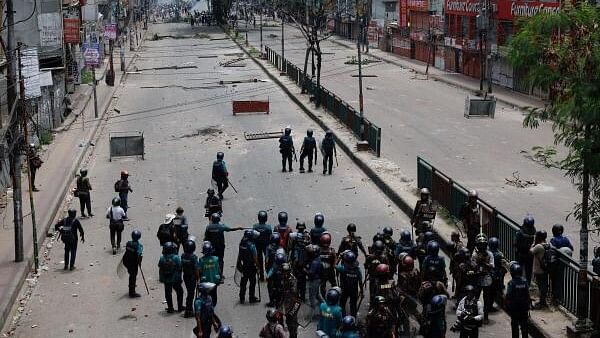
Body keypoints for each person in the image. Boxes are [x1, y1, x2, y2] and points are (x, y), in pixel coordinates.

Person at [471, 234, 494, 323]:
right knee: (475, 298)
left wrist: (483, 262)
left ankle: (486, 316)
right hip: (477, 277)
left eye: (483, 245)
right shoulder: (474, 255)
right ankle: (475, 314)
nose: (482, 247)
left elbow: (491, 266)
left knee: (486, 298)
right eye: (480, 245)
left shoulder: (489, 254)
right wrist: (478, 263)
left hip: (486, 278)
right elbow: (473, 266)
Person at [158, 241, 184, 313]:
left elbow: (159, 265)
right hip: (175, 279)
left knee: (168, 293)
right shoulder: (176, 257)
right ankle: (180, 306)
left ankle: (170, 308)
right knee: (179, 292)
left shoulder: (162, 258)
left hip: (166, 279)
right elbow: (180, 267)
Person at [505, 263, 530, 338]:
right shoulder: (525, 282)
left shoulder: (511, 283)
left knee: (515, 326)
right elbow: (527, 294)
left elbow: (508, 295)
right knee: (524, 326)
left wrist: (507, 305)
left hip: (515, 308)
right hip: (524, 308)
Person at [336, 251, 363, 317]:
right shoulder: (357, 270)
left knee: (342, 304)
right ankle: (353, 319)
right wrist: (361, 292)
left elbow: (334, 265)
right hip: (354, 291)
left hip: (344, 290)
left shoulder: (343, 269)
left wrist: (339, 257)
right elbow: (360, 282)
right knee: (353, 305)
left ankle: (343, 318)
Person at [288, 222, 310, 301]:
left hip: (297, 261)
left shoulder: (293, 236)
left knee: (295, 279)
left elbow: (290, 247)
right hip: (304, 260)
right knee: (303, 279)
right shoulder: (308, 236)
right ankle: (302, 296)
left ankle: (296, 295)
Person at [238, 229, 260, 304]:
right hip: (251, 267)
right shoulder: (252, 246)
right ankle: (251, 297)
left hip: (244, 266)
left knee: (243, 282)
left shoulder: (241, 244)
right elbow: (255, 257)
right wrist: (258, 266)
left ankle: (241, 297)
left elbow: (240, 255)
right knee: (252, 282)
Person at [514, 215, 536, 284]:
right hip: (530, 254)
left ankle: (518, 282)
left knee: (518, 268)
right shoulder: (534, 231)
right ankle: (527, 283)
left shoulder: (520, 232)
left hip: (520, 254)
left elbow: (515, 242)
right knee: (528, 270)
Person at [488, 237, 507, 312]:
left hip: (488, 274)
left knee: (488, 292)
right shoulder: (499, 254)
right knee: (494, 291)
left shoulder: (488, 253)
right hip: (496, 275)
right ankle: (491, 306)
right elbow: (502, 264)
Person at [530, 230, 549, 309]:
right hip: (545, 268)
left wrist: (532, 244)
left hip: (539, 269)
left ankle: (542, 302)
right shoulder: (547, 244)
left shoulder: (538, 246)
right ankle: (543, 301)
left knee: (541, 286)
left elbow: (531, 251)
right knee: (544, 285)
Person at [198, 241, 221, 306]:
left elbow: (199, 270)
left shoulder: (201, 260)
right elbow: (219, 269)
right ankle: (212, 307)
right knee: (214, 294)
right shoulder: (216, 259)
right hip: (214, 280)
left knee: (205, 294)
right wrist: (220, 277)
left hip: (205, 281)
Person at [253, 210, 273, 281]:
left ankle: (261, 276)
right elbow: (271, 237)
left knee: (259, 260)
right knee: (267, 260)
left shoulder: (255, 226)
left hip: (258, 246)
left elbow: (253, 237)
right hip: (266, 246)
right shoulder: (268, 227)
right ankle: (268, 275)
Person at [123, 229, 143, 297]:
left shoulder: (128, 243)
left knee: (131, 274)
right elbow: (139, 256)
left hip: (127, 261)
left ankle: (132, 284)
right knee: (133, 275)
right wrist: (139, 263)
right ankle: (132, 292)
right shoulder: (139, 246)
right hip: (133, 263)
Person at [182, 239, 199, 317]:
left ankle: (189, 309)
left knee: (190, 293)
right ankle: (188, 310)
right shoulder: (193, 257)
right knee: (191, 294)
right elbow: (196, 269)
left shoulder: (183, 256)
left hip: (185, 276)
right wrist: (198, 278)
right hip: (192, 277)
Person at [305, 244, 323, 316]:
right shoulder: (317, 258)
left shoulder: (315, 262)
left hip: (314, 280)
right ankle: (325, 307)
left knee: (312, 297)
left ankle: (312, 314)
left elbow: (311, 273)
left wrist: (305, 270)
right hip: (317, 280)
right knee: (317, 295)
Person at [319, 233, 337, 297]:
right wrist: (335, 266)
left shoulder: (318, 250)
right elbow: (335, 260)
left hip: (322, 271)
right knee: (334, 284)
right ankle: (335, 296)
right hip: (330, 270)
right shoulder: (332, 250)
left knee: (323, 285)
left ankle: (323, 298)